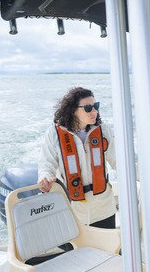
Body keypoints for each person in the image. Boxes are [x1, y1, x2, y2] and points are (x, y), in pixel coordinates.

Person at [38, 87, 117, 228]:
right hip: (72, 210)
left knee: (108, 250)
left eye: (95, 106)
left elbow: (120, 162)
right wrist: (45, 178)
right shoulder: (54, 134)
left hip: (104, 208)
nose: (94, 111)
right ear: (73, 110)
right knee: (77, 250)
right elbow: (47, 165)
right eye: (88, 108)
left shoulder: (104, 131)